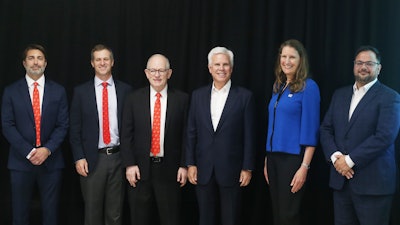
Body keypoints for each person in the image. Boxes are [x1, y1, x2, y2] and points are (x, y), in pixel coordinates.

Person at [320, 45, 400, 225]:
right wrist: (336, 158)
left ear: (379, 68)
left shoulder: (390, 97)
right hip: (341, 183)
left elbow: (385, 136)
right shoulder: (339, 95)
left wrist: (349, 161)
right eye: (359, 63)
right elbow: (325, 128)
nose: (363, 67)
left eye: (369, 63)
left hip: (374, 186)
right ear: (354, 66)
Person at [186, 46, 256, 225]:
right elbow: (191, 132)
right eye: (217, 64)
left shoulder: (245, 97)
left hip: (232, 169)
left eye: (226, 64)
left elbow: (249, 135)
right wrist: (190, 163)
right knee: (205, 218)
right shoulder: (197, 95)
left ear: (231, 68)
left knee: (230, 219)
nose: (221, 68)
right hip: (203, 168)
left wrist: (247, 167)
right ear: (210, 68)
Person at [1, 44, 69, 225]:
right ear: (24, 63)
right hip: (20, 162)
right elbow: (7, 125)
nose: (35, 62)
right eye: (31, 58)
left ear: (45, 63)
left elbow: (63, 125)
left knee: (51, 214)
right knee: (20, 214)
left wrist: (47, 149)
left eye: (39, 58)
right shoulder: (11, 91)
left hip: (51, 162)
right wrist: (30, 152)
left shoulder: (59, 91)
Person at [120, 54, 188, 225]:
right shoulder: (133, 99)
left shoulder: (182, 100)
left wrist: (184, 165)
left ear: (169, 73)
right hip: (140, 170)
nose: (157, 75)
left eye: (161, 70)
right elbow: (126, 134)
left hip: (170, 170)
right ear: (146, 73)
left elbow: (187, 135)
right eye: (153, 70)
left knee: (170, 219)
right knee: (139, 219)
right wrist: (129, 164)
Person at [69, 44, 132, 225]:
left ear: (112, 62)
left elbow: (130, 127)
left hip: (119, 158)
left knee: (115, 213)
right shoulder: (81, 92)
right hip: (91, 159)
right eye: (98, 59)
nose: (102, 63)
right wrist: (79, 157)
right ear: (92, 63)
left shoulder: (126, 90)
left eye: (106, 59)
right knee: (92, 213)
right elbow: (75, 129)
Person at [264, 39, 320, 225]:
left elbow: (311, 131)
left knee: (289, 215)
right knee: (277, 213)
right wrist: (267, 158)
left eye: (292, 57)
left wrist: (304, 167)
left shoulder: (308, 87)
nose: (287, 61)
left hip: (293, 160)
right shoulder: (278, 86)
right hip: (273, 158)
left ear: (300, 60)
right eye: (284, 56)